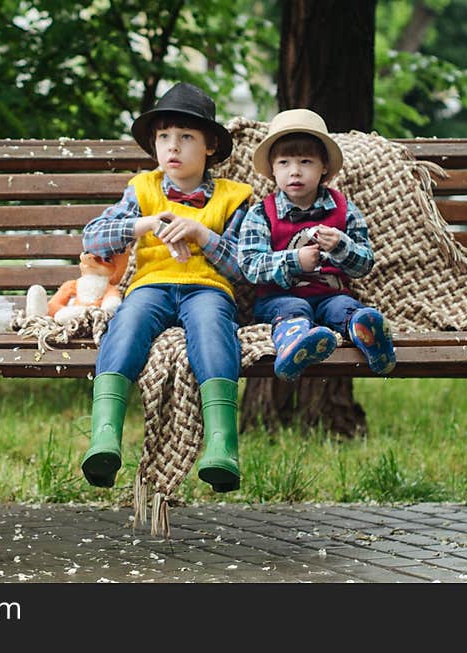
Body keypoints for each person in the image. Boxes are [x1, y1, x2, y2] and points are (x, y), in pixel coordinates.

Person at [80, 82, 252, 493]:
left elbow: (244, 266)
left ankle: (221, 445)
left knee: (213, 330)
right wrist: (144, 224)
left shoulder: (234, 197)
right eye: (164, 137)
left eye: (186, 137)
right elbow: (93, 238)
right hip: (151, 287)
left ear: (210, 146)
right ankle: (104, 436)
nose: (172, 147)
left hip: (207, 289)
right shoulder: (143, 189)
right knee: (127, 323)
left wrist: (200, 234)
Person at [238, 109, 396, 383]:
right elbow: (250, 265)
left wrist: (341, 246)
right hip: (278, 299)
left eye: (306, 161)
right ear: (273, 170)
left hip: (329, 295)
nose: (295, 171)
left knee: (344, 307)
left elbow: (365, 264)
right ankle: (296, 343)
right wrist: (294, 260)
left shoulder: (344, 209)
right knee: (293, 312)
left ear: (324, 167)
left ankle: (368, 334)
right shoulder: (261, 214)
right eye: (284, 163)